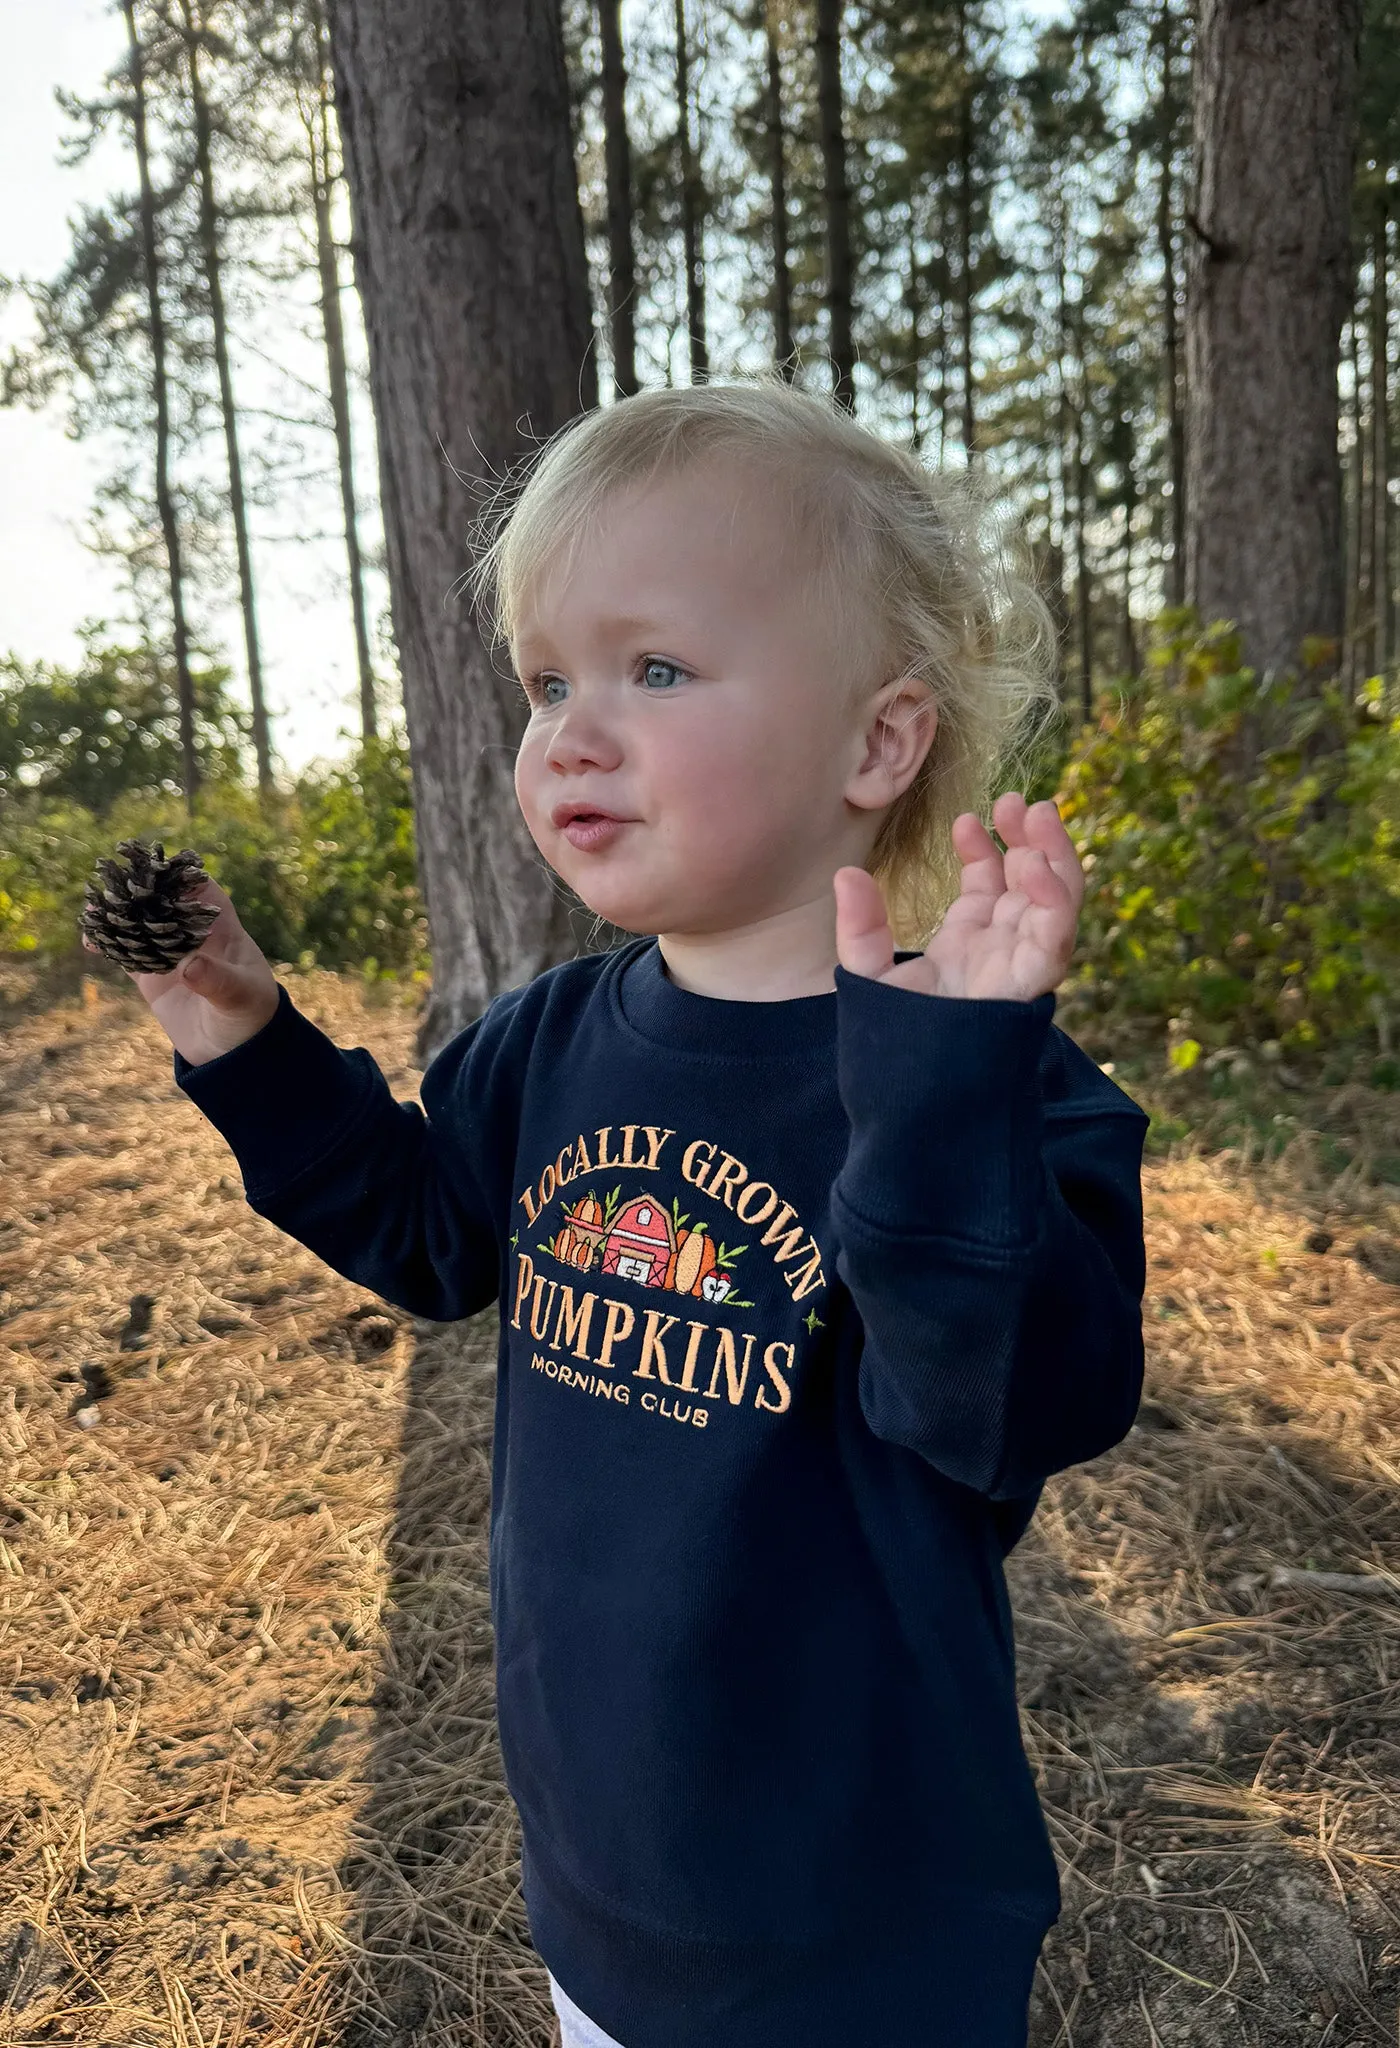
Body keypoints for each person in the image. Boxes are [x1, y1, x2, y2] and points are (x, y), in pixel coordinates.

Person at [100, 382, 1150, 2048]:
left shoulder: (991, 1088)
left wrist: (945, 1093)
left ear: (879, 742)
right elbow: (429, 1233)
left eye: (655, 670)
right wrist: (243, 1032)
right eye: (547, 681)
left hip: (856, 1904)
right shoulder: (549, 1042)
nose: (572, 731)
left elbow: (1016, 1414)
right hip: (605, 1846)